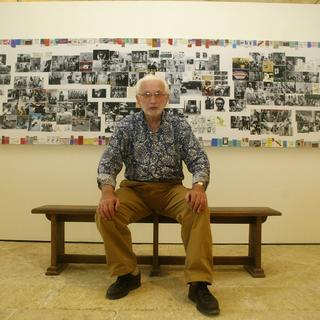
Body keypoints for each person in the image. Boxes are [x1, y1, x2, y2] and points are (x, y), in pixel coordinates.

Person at [96, 74, 220, 316]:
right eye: (147, 95)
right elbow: (108, 163)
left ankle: (199, 283)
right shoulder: (126, 126)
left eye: (158, 94)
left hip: (171, 189)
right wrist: (107, 191)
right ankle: (127, 274)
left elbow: (198, 160)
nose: (152, 100)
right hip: (135, 189)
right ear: (138, 99)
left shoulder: (179, 125)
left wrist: (198, 187)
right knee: (106, 213)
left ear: (167, 98)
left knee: (198, 209)